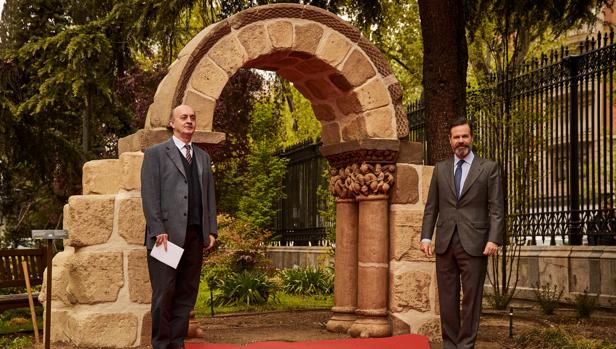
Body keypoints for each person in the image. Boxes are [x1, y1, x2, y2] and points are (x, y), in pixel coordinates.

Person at [420, 117, 504, 349]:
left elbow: (496, 208)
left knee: (471, 299)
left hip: (476, 243)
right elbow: (431, 207)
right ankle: (450, 344)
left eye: (464, 136)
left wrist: (494, 239)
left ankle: (466, 345)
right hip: (445, 242)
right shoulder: (440, 169)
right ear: (450, 141)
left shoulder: (488, 168)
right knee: (447, 299)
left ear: (472, 138)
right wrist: (426, 237)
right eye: (456, 137)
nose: (460, 141)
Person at [141, 104, 217, 349]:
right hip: (166, 237)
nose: (189, 121)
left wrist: (211, 230)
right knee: (164, 294)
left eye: (193, 117)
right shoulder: (156, 154)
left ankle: (177, 344)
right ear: (172, 123)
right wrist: (157, 229)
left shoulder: (203, 157)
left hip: (195, 236)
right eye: (183, 117)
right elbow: (150, 195)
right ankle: (161, 345)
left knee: (186, 294)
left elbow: (209, 197)